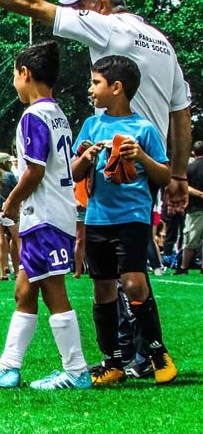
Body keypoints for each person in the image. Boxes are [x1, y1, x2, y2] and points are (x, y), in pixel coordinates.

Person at [0, 0, 193, 215]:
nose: (76, 12)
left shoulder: (108, 26)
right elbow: (180, 112)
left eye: (80, 6)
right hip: (148, 162)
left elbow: (34, 6)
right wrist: (179, 175)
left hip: (116, 160)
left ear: (101, 6)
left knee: (111, 249)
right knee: (128, 248)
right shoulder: (162, 43)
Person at [0, 41, 90, 390]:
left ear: (26, 74)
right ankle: (9, 367)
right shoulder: (58, 114)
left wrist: (11, 203)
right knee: (24, 290)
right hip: (54, 213)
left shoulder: (33, 116)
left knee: (53, 290)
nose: (13, 83)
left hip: (46, 215)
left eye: (14, 75)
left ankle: (77, 370)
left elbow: (34, 171)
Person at [71, 55, 176, 385]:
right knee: (102, 288)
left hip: (132, 217)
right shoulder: (92, 125)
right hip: (98, 218)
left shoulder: (144, 129)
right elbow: (73, 173)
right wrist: (86, 157)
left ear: (116, 88)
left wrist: (140, 156)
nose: (91, 89)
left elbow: (164, 175)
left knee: (132, 282)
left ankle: (157, 354)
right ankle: (113, 362)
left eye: (96, 83)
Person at [0, 152, 19, 280]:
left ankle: (2, 273)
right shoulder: (9, 176)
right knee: (18, 240)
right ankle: (19, 270)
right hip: (8, 211)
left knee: (0, 241)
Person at [177, 141, 203, 274]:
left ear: (194, 152)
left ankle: (183, 267)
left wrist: (199, 194)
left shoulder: (190, 168)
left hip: (194, 209)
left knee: (190, 240)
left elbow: (184, 186)